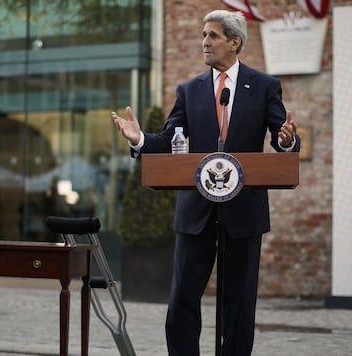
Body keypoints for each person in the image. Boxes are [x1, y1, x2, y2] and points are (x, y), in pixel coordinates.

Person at [112, 10, 300, 356]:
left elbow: (283, 139)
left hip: (244, 213)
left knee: (239, 304)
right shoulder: (189, 90)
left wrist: (287, 140)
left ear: (234, 42)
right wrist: (139, 139)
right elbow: (170, 141)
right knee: (182, 298)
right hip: (196, 213)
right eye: (203, 35)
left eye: (212, 36)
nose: (205, 42)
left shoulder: (264, 87)